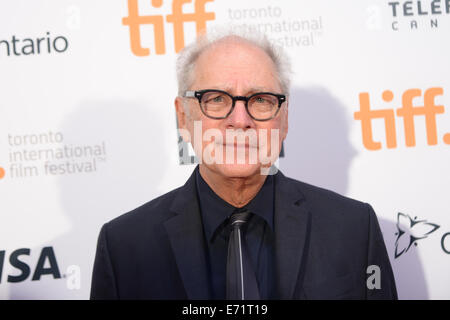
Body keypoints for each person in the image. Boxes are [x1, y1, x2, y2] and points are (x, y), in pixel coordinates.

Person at [90, 30, 397, 300]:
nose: (240, 121)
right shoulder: (124, 248)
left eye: (261, 100)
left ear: (284, 118)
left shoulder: (354, 229)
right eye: (216, 99)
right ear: (183, 117)